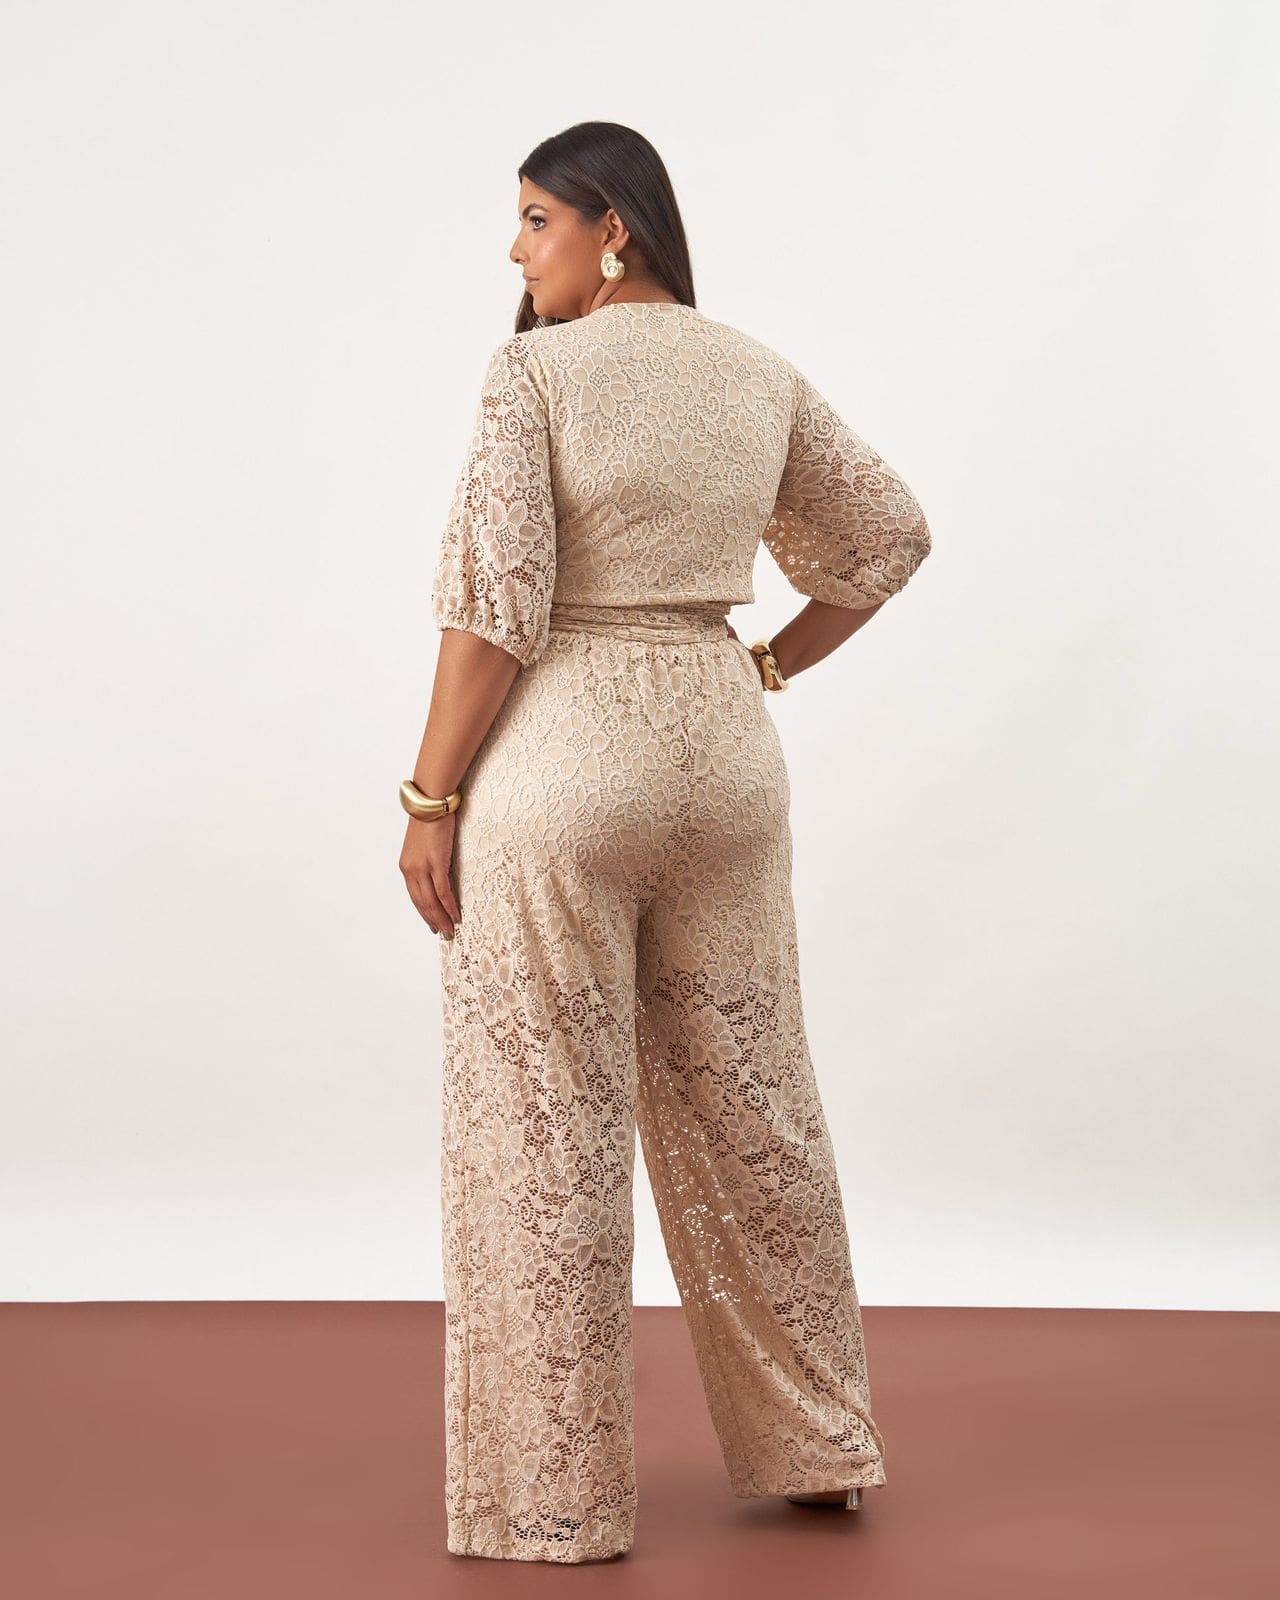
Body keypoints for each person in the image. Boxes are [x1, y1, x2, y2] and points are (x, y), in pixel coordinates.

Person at [399, 120, 932, 1565]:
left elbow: (494, 610)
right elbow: (889, 535)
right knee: (755, 1099)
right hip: (723, 760)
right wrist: (768, 665)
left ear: (612, 226)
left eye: (536, 220)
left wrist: (430, 798)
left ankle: (554, 1498)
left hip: (568, 766)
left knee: (547, 1125)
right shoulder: (756, 370)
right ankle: (820, 1444)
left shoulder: (532, 374)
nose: (517, 251)